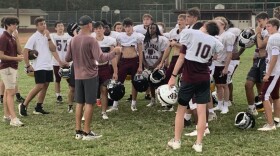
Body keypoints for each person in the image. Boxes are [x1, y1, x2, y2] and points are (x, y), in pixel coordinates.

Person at [167, 21, 223, 153]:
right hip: (204, 78)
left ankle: (176, 141)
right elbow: (215, 56)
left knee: (181, 110)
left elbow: (181, 59)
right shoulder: (214, 41)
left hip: (189, 77)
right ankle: (198, 144)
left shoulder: (191, 36)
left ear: (205, 27)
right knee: (202, 111)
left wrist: (173, 76)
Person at [65, 15, 121, 140]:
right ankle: (86, 132)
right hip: (90, 75)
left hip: (78, 75)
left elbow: (67, 58)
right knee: (90, 103)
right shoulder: (91, 40)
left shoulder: (73, 40)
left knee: (79, 103)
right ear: (89, 25)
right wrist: (115, 52)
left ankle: (78, 131)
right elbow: (100, 58)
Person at [18, 17, 66, 116]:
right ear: (37, 26)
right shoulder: (34, 37)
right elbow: (25, 51)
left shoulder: (49, 36)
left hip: (49, 65)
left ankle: (39, 107)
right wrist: (27, 65)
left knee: (45, 85)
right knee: (39, 85)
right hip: (39, 66)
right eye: (41, 24)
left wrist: (60, 61)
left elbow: (53, 49)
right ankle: (24, 104)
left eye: (44, 23)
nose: (43, 25)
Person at [114, 18, 144, 111]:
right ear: (124, 27)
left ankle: (133, 103)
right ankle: (115, 103)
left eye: (129, 26)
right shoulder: (120, 37)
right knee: (119, 82)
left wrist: (140, 66)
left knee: (135, 82)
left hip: (134, 60)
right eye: (126, 27)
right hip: (124, 61)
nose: (128, 28)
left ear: (132, 26)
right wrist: (116, 65)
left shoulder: (137, 36)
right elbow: (118, 52)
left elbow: (140, 51)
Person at [0, 16, 24, 126]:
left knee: (7, 92)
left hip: (13, 67)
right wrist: (16, 59)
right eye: (14, 24)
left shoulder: (12, 37)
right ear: (8, 25)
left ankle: (7, 115)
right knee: (11, 93)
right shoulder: (4, 37)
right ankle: (14, 118)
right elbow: (1, 56)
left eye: (16, 24)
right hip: (7, 67)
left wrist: (17, 38)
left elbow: (20, 51)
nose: (16, 26)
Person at [257, 18, 280, 131]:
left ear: (275, 26)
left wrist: (268, 73)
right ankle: (277, 119)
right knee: (275, 95)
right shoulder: (275, 37)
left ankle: (271, 124)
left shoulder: (274, 38)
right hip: (276, 70)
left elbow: (274, 57)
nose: (267, 28)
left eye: (269, 26)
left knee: (264, 95)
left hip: (274, 71)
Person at [245, 12, 269, 116]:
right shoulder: (261, 30)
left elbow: (261, 45)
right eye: (258, 22)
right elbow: (249, 45)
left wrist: (258, 33)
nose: (259, 24)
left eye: (260, 21)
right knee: (248, 84)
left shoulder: (271, 31)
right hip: (257, 60)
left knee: (264, 87)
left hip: (266, 60)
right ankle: (251, 108)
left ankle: (267, 109)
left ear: (266, 20)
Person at [93, 21, 118, 119]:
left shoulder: (110, 41)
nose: (98, 30)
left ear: (104, 29)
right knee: (90, 91)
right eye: (96, 28)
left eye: (100, 28)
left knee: (104, 90)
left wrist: (115, 71)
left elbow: (113, 57)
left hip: (105, 68)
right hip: (93, 68)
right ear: (94, 30)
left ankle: (103, 112)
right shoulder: (91, 40)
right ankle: (85, 112)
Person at [143, 23, 168, 107]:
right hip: (148, 64)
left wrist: (156, 64)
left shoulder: (161, 39)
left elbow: (163, 53)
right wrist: (145, 64)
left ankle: (163, 101)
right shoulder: (144, 39)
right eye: (150, 28)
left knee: (161, 83)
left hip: (158, 65)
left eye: (153, 28)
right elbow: (142, 53)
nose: (151, 30)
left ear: (156, 29)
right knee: (151, 83)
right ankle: (153, 100)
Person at [213, 16, 234, 114]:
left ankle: (226, 105)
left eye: (217, 23)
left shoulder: (228, 35)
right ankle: (219, 104)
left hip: (223, 63)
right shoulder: (214, 35)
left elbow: (229, 53)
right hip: (215, 63)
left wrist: (226, 67)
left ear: (223, 24)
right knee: (217, 85)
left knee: (224, 85)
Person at [50, 21, 71, 104]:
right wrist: (59, 61)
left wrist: (67, 60)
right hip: (56, 61)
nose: (60, 27)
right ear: (55, 28)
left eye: (62, 25)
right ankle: (58, 95)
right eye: (58, 26)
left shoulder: (68, 36)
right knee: (57, 79)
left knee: (70, 79)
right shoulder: (53, 36)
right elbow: (52, 49)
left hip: (68, 61)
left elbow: (72, 48)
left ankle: (72, 94)